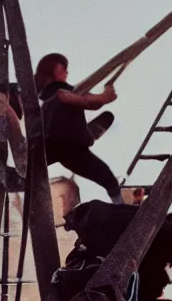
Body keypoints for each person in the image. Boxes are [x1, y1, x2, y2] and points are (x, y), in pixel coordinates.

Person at [34, 53, 124, 204]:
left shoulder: (49, 98)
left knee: (106, 117)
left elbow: (88, 100)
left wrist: (103, 96)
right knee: (108, 179)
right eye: (63, 70)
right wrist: (105, 96)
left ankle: (86, 134)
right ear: (53, 72)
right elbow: (88, 102)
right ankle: (120, 206)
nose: (67, 73)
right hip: (70, 149)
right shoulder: (61, 93)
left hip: (56, 147)